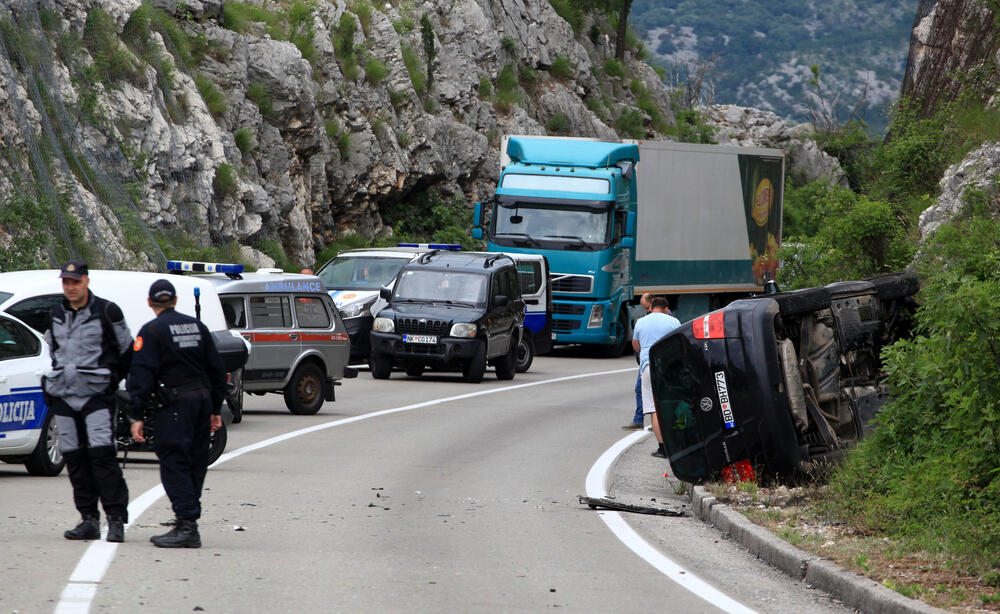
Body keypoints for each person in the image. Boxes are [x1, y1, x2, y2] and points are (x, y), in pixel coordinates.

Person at [127, 279, 228, 548]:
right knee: (196, 461)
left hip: (174, 406)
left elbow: (142, 375)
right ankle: (187, 519)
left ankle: (186, 524)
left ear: (150, 302)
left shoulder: (151, 331)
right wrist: (216, 409)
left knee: (173, 461)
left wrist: (136, 414)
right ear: (175, 300)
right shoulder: (197, 327)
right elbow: (218, 370)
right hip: (202, 402)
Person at [44, 260, 132, 543]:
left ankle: (116, 520)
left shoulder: (107, 310)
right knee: (75, 459)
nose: (70, 287)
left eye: (75, 282)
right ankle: (88, 519)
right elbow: (53, 349)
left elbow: (127, 349)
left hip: (97, 395)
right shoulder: (56, 312)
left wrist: (111, 381)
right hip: (64, 396)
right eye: (66, 282)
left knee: (102, 456)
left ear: (86, 281)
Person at [632, 296, 680, 458]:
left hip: (647, 366)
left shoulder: (641, 322)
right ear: (666, 309)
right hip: (668, 367)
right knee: (670, 405)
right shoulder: (673, 322)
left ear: (651, 308)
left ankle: (662, 448)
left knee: (654, 409)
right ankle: (676, 445)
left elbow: (636, 345)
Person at [622, 293, 652, 430]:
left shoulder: (666, 317)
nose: (646, 311)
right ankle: (639, 419)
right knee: (640, 389)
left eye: (647, 308)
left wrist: (639, 352)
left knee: (648, 390)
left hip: (650, 359)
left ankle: (653, 421)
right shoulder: (647, 319)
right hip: (647, 359)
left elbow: (635, 343)